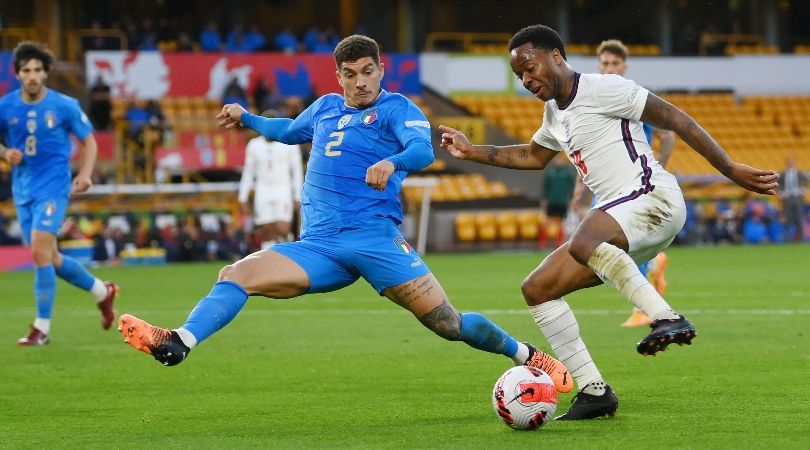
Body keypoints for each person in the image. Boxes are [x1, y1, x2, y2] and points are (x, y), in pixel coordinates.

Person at [117, 35, 573, 395]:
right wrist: (248, 118)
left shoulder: (398, 109)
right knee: (236, 273)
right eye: (351, 74)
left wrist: (391, 162)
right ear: (338, 76)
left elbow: (420, 149)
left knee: (449, 324)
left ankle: (527, 355)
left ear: (380, 70)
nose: (360, 82)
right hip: (318, 246)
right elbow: (287, 131)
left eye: (368, 72)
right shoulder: (325, 109)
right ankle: (179, 342)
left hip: (375, 240)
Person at [439, 25, 778, 420]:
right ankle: (594, 392)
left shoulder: (604, 88)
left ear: (555, 57)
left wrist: (730, 168)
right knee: (538, 288)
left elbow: (675, 118)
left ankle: (666, 317)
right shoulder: (553, 113)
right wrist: (471, 150)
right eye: (519, 76)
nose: (527, 80)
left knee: (585, 236)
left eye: (530, 68)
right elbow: (531, 157)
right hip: (623, 220)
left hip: (654, 197)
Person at [0, 42, 118, 346]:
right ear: (18, 73)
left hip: (53, 186)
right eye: (26, 71)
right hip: (23, 189)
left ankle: (41, 328)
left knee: (40, 250)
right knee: (49, 257)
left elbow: (89, 142)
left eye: (38, 70)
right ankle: (103, 293)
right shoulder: (6, 106)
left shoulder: (64, 105)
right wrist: (5, 151)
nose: (32, 76)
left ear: (46, 73)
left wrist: (85, 173)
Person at [569, 39, 677, 327]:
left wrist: (657, 169)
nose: (609, 68)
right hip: (605, 186)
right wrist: (581, 187)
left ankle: (644, 307)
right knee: (594, 251)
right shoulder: (592, 98)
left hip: (633, 184)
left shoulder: (633, 97)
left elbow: (669, 136)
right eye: (605, 63)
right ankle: (654, 265)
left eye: (615, 63)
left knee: (615, 246)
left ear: (625, 67)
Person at [238, 110, 304, 248]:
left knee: (283, 229)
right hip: (263, 190)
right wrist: (242, 197)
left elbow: (297, 171)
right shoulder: (254, 145)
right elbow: (248, 172)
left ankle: (288, 254)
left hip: (283, 189)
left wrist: (297, 195)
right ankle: (268, 261)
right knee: (266, 230)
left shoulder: (289, 143)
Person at [778, 156, 807, 241]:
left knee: (799, 218)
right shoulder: (783, 174)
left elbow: (807, 182)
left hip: (797, 198)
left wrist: (802, 190)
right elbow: (776, 183)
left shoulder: (799, 173)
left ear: (794, 163)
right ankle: (787, 238)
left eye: (792, 162)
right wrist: (780, 193)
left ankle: (800, 238)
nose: (790, 164)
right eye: (789, 162)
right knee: (787, 218)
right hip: (787, 198)